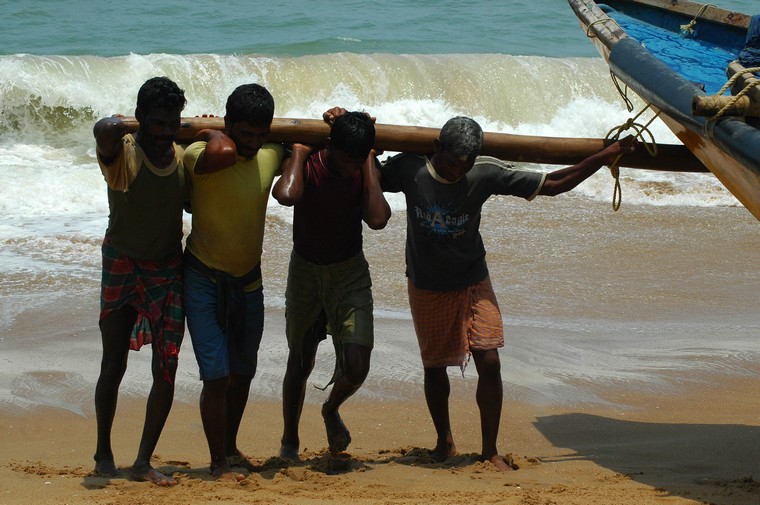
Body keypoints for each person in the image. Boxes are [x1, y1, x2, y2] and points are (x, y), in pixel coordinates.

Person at [377, 115, 635, 471]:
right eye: (452, 163)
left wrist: (607, 155)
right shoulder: (409, 168)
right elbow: (365, 174)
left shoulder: (484, 172)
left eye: (465, 165)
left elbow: (554, 183)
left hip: (472, 279)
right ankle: (443, 440)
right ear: (437, 148)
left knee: (490, 361)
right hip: (427, 281)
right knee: (434, 367)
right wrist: (362, 139)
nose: (457, 171)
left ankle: (489, 450)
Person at [272, 110, 391, 460]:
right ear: (328, 145)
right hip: (306, 271)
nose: (347, 167)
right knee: (300, 360)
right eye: (343, 159)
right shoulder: (309, 162)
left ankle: (331, 407)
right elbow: (286, 195)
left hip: (349, 272)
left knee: (357, 365)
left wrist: (367, 165)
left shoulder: (363, 169)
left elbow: (377, 219)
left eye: (356, 160)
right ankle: (289, 439)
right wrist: (298, 151)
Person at [182, 83, 286, 481]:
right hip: (203, 277)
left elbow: (309, 149)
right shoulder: (200, 151)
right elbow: (223, 152)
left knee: (243, 373)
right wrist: (212, 132)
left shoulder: (270, 153)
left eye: (262, 135)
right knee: (216, 376)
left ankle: (229, 445)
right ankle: (218, 463)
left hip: (249, 282)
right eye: (246, 134)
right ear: (228, 125)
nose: (254, 143)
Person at [93, 76, 187, 486]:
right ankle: (103, 451)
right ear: (140, 118)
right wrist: (133, 126)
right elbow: (105, 129)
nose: (166, 132)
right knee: (113, 361)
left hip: (167, 267)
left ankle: (143, 460)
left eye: (173, 124)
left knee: (167, 365)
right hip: (122, 261)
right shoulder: (123, 153)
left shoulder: (182, 157)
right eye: (157, 123)